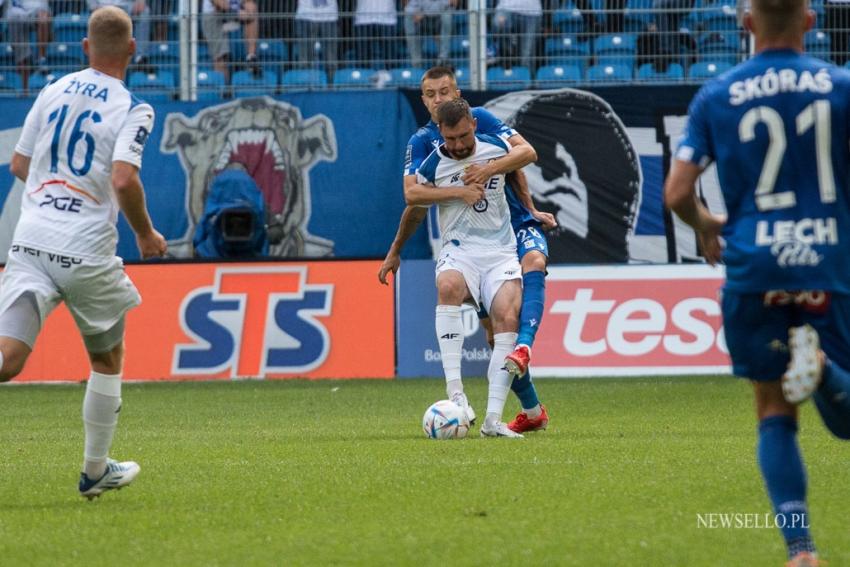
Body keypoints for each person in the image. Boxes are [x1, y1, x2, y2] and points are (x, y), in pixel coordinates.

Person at [664, 0, 850, 563]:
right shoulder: (840, 86)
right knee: (842, 424)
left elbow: (676, 194)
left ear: (745, 23)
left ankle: (800, 550)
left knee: (773, 408)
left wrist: (706, 226)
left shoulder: (716, 95)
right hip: (826, 261)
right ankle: (822, 370)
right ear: (811, 20)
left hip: (754, 263)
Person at [2, 6, 168, 499]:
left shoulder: (53, 89)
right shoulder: (133, 105)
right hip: (84, 249)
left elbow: (18, 163)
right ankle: (95, 469)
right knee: (107, 356)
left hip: (30, 239)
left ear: (84, 47)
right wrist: (145, 234)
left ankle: (99, 469)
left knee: (9, 359)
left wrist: (52, 193)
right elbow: (123, 177)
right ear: (133, 49)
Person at [378, 66, 554, 434]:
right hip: (464, 240)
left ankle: (519, 368)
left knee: (532, 265)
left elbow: (521, 161)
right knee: (489, 331)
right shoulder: (424, 144)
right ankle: (517, 406)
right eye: (430, 94)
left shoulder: (483, 121)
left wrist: (515, 193)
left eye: (445, 91)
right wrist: (397, 248)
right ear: (424, 100)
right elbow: (413, 199)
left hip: (511, 225)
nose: (438, 99)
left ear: (459, 95)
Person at [411, 98, 533, 438]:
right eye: (451, 139)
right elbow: (412, 196)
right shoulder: (435, 161)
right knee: (447, 286)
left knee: (507, 319)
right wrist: (457, 192)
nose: (459, 145)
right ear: (441, 134)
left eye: (464, 137)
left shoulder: (495, 146)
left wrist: (489, 169)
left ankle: (493, 421)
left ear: (474, 126)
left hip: (500, 251)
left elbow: (528, 154)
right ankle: (457, 394)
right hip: (460, 250)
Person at [200, 0, 260, 81]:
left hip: (232, 13)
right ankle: (223, 89)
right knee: (221, 58)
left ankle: (251, 57)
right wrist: (239, 14)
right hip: (214, 15)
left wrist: (248, 10)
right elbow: (221, 4)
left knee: (252, 8)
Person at [88, 0, 153, 68]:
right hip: (102, 5)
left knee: (145, 12)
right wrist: (93, 5)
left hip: (127, 4)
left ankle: (140, 58)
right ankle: (98, 59)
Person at [5, 0, 52, 89]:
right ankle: (25, 90)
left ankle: (42, 59)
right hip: (15, 14)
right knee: (22, 54)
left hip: (38, 10)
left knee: (43, 16)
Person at [492, 0, 542, 70]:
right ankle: (504, 53)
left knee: (526, 56)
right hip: (506, 8)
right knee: (498, 23)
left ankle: (524, 78)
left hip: (532, 12)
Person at [403, 0, 453, 69]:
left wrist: (424, 12)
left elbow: (451, 3)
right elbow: (408, 9)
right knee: (409, 18)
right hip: (421, 20)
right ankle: (416, 64)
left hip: (437, 18)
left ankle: (443, 60)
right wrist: (417, 13)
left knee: (447, 17)